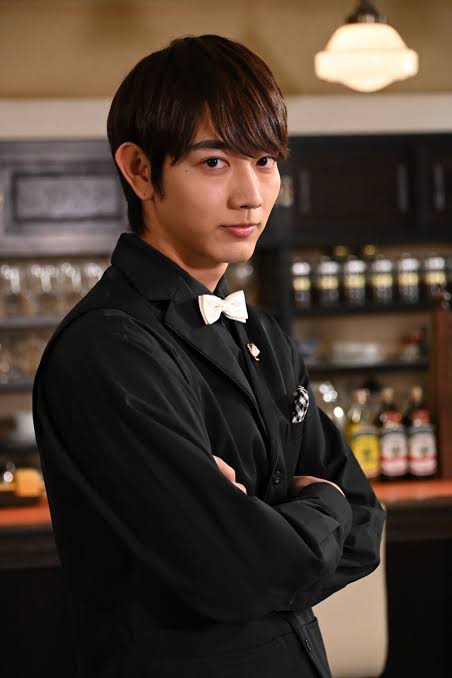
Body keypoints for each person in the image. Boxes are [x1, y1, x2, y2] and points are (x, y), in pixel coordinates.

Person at [32, 34, 386, 678]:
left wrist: (283, 521)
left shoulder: (263, 335)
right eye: (215, 162)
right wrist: (325, 505)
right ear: (140, 170)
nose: (252, 194)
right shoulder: (109, 348)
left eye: (265, 160)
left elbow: (368, 528)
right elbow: (243, 573)